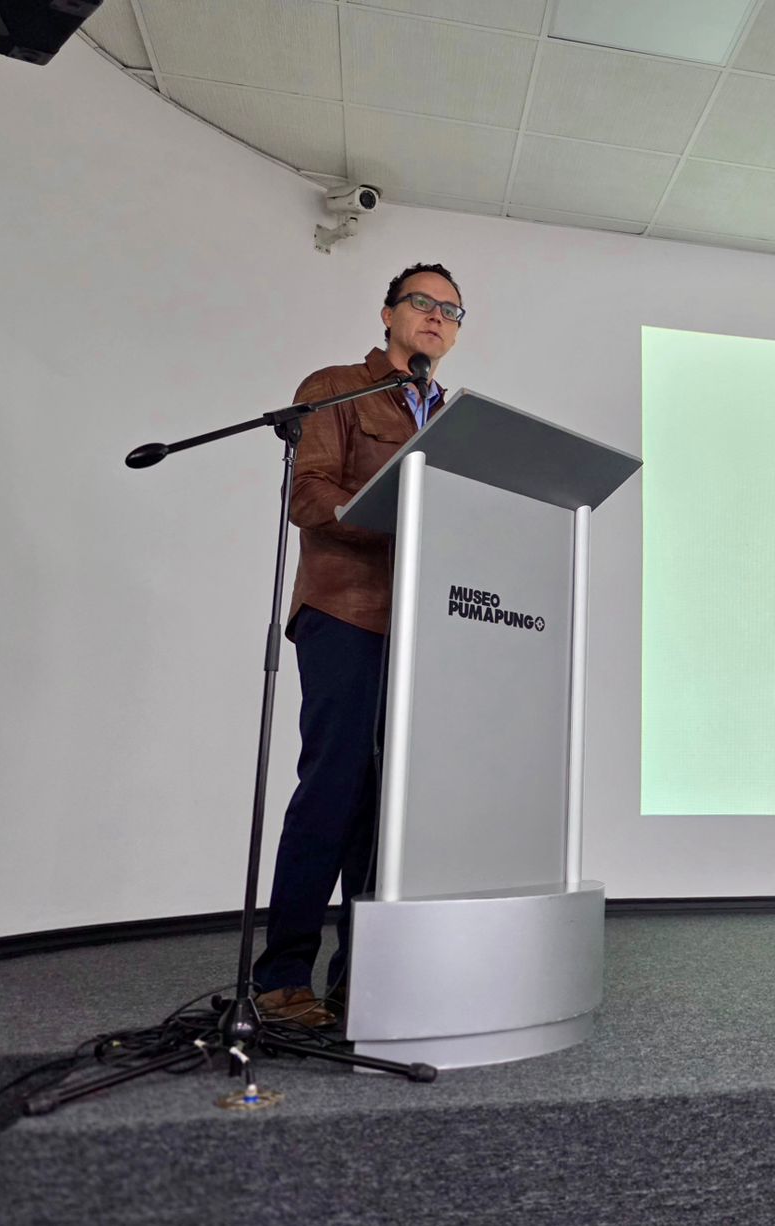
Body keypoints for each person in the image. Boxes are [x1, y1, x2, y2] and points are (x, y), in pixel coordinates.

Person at [251, 263, 466, 1026]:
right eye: (423, 302)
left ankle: (361, 976)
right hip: (345, 609)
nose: (438, 317)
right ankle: (281, 979)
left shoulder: (448, 415)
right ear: (387, 314)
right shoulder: (338, 386)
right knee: (334, 787)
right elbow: (307, 495)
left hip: (421, 627)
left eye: (452, 309)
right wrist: (389, 512)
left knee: (389, 807)